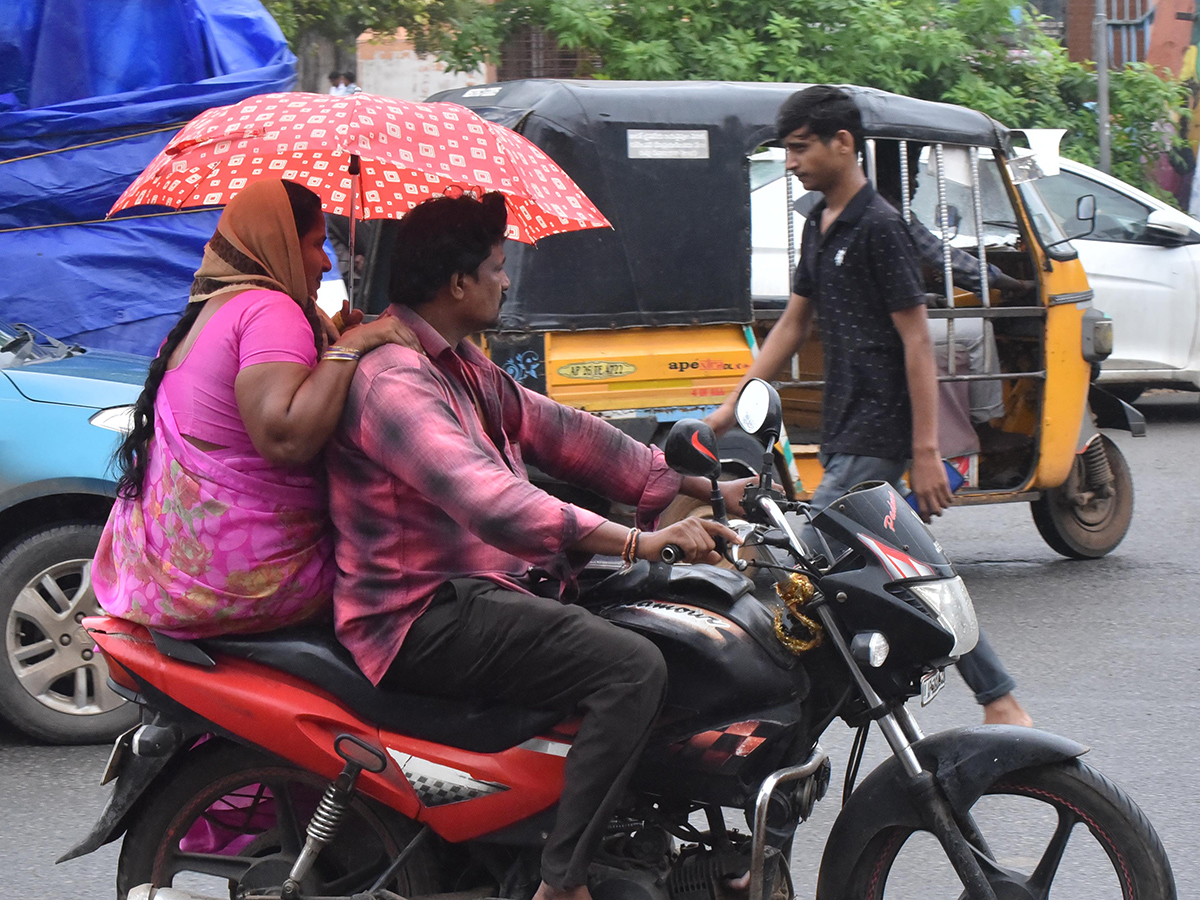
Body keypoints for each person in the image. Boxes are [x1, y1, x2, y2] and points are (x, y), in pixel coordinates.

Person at [326, 191, 749, 900]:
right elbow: (490, 502)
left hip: (487, 589)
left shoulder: (461, 364)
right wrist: (643, 541)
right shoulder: (392, 379)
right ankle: (563, 882)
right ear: (457, 283)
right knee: (632, 668)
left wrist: (707, 486)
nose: (506, 279)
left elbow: (570, 435)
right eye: (497, 266)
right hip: (419, 613)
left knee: (669, 620)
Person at [707, 86, 1031, 728]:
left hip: (880, 430)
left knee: (804, 548)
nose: (792, 161)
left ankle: (794, 704)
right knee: (906, 570)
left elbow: (916, 338)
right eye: (787, 149)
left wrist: (927, 450)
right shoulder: (819, 224)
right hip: (845, 424)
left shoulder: (881, 227)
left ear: (843, 144)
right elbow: (794, 325)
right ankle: (997, 698)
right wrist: (728, 409)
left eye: (801, 148)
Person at [93, 179, 416, 638]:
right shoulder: (270, 310)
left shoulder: (209, 310)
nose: (326, 261)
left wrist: (334, 342)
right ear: (278, 242)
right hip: (245, 582)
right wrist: (353, 347)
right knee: (408, 584)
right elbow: (285, 438)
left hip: (161, 581)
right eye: (316, 243)